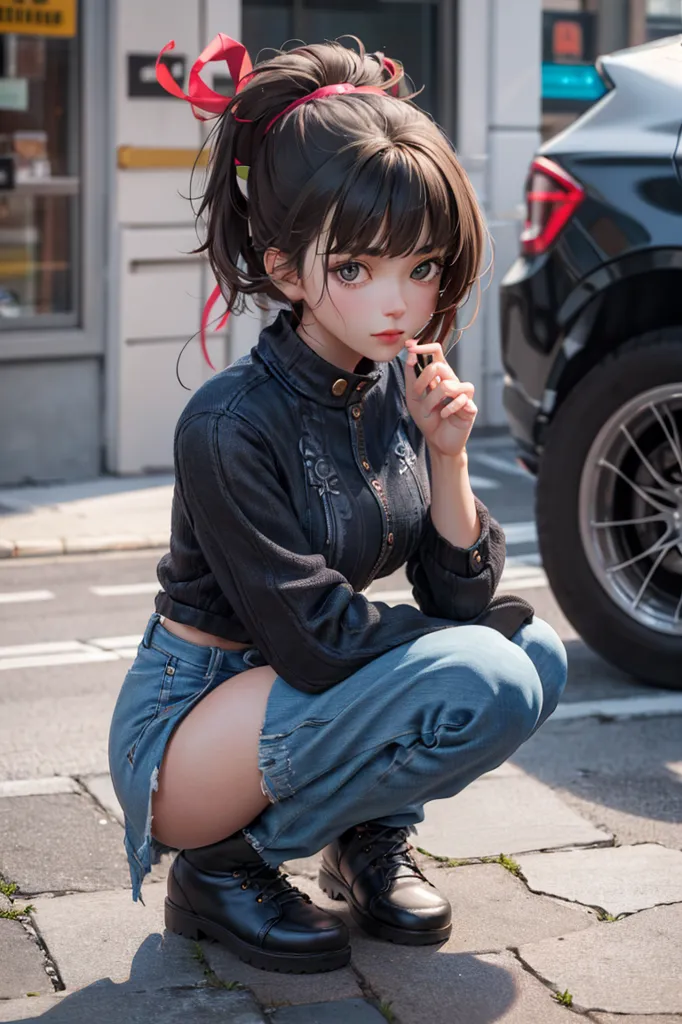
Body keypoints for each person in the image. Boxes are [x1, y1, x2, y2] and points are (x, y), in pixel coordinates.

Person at [108, 32, 568, 976]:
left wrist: (447, 458)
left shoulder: (393, 384)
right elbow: (313, 640)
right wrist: (462, 645)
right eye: (356, 269)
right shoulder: (227, 424)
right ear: (286, 270)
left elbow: (456, 604)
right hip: (191, 728)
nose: (399, 301)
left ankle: (363, 844)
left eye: (423, 267)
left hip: (293, 701)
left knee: (535, 657)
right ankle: (219, 866)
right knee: (487, 669)